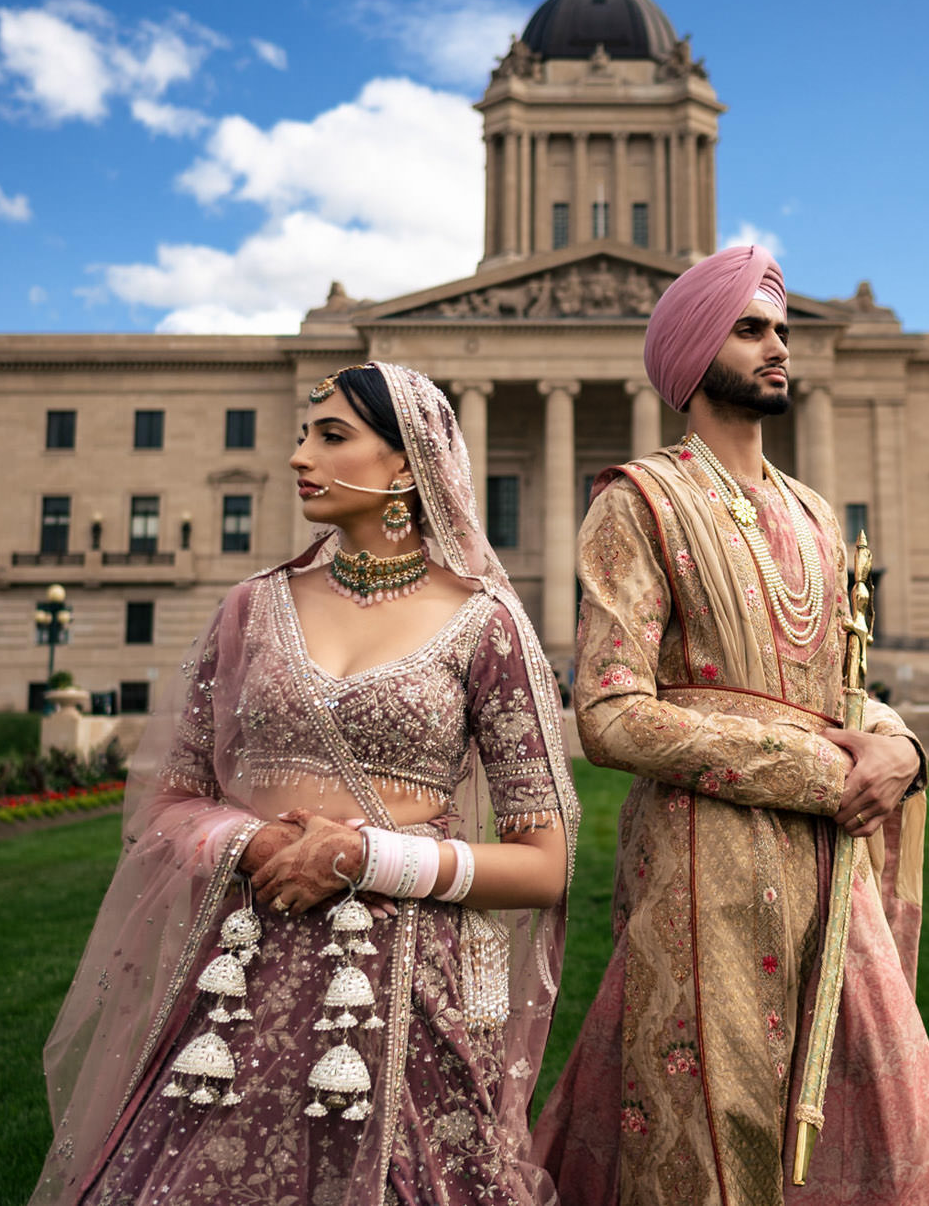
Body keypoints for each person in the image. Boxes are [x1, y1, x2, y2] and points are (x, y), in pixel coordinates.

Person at [33, 363, 580, 1206]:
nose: (299, 457)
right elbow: (168, 802)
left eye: (331, 436)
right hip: (239, 977)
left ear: (406, 466)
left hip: (405, 987)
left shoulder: (487, 623)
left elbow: (544, 863)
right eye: (301, 435)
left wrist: (364, 858)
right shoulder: (250, 609)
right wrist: (253, 841)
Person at [532, 246, 929, 1206]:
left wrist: (899, 745)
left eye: (782, 330)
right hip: (704, 863)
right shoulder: (634, 501)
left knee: (862, 1103)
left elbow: (845, 687)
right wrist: (821, 772)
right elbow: (608, 713)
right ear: (694, 353)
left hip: (832, 863)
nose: (778, 347)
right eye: (750, 329)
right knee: (703, 1115)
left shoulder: (817, 514)